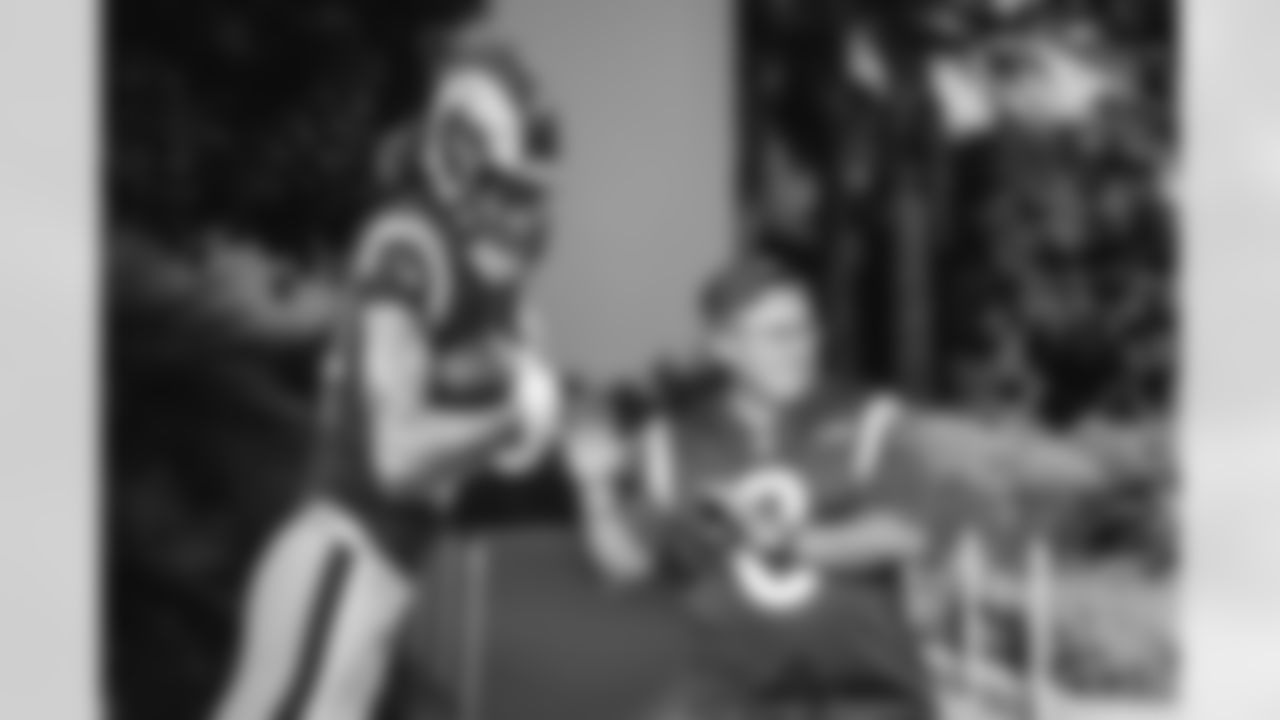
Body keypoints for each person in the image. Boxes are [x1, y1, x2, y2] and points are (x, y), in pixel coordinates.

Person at [572, 253, 1117, 720]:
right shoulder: (672, 442)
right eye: (778, 334)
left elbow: (905, 530)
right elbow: (627, 564)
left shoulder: (869, 420)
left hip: (865, 701)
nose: (800, 347)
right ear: (724, 346)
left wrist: (792, 543)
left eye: (808, 329)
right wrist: (594, 486)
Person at [209, 35, 561, 720]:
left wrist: (519, 408)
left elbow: (499, 444)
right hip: (343, 557)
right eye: (465, 126)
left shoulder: (491, 287)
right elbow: (395, 457)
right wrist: (511, 418)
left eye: (498, 134)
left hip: (380, 571)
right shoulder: (411, 244)